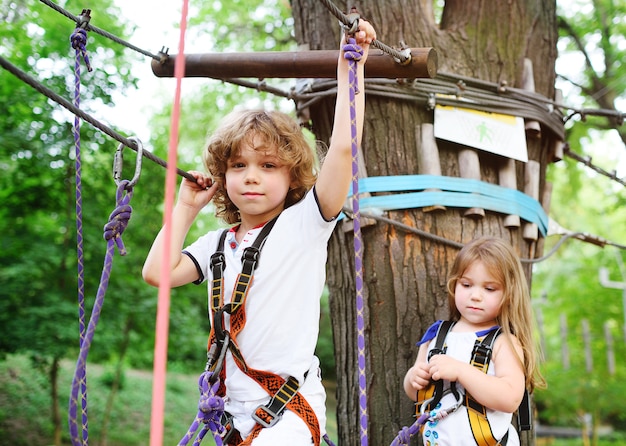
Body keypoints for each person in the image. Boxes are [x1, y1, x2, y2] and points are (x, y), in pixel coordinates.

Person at [142, 20, 376, 445]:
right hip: (230, 414)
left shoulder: (305, 223)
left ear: (292, 178)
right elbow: (157, 273)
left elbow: (343, 148)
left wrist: (350, 68)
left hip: (286, 411)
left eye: (268, 166)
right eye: (238, 166)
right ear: (224, 175)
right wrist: (185, 208)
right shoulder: (216, 245)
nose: (251, 177)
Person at [403, 236, 544, 446]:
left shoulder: (504, 342)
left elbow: (510, 398)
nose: (475, 296)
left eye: (489, 289)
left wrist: (461, 371)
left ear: (510, 293)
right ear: (455, 284)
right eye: (467, 284)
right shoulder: (437, 335)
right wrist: (414, 378)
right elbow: (416, 392)